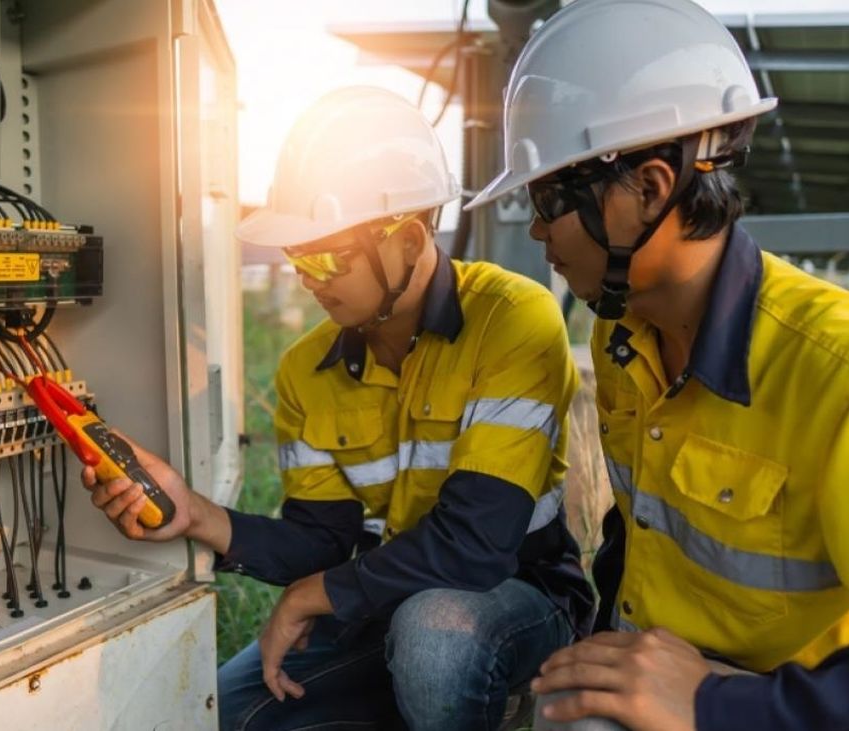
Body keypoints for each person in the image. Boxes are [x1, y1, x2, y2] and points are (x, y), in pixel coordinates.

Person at [464, 1, 849, 729]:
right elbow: (640, 535)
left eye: (548, 196)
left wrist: (720, 705)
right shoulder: (625, 339)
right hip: (675, 668)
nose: (537, 227)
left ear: (649, 188)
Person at [83, 86, 594, 730]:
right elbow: (323, 543)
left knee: (435, 637)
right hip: (383, 599)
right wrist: (195, 513)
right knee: (232, 712)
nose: (310, 278)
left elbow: (477, 544)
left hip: (517, 595)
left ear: (408, 240)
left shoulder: (513, 319)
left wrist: (313, 597)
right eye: (299, 255)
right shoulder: (306, 370)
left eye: (329, 256)